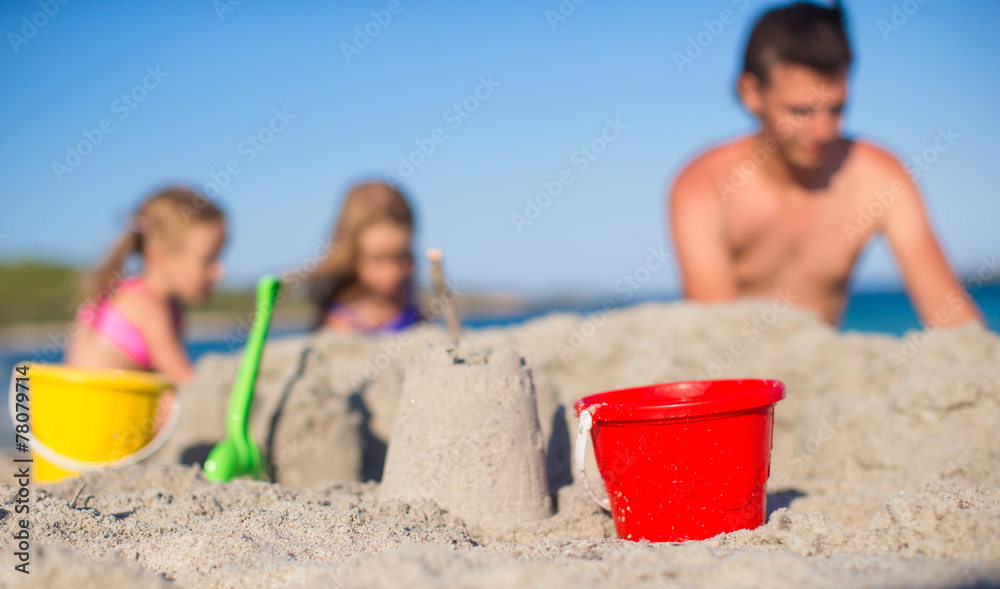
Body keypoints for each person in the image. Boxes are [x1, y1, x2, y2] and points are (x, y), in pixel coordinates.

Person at [668, 1, 982, 327]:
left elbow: (956, 323)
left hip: (826, 367)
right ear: (750, 93)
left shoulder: (880, 178)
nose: (824, 131)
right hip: (745, 370)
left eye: (836, 109)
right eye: (800, 112)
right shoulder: (704, 187)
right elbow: (716, 336)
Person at [66, 187, 226, 386]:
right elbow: (186, 383)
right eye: (208, 259)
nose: (219, 271)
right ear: (161, 257)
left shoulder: (157, 302)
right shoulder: (147, 305)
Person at [307, 180, 423, 334]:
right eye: (378, 259)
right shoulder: (340, 318)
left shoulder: (407, 298)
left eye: (402, 257)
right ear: (351, 254)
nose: (392, 273)